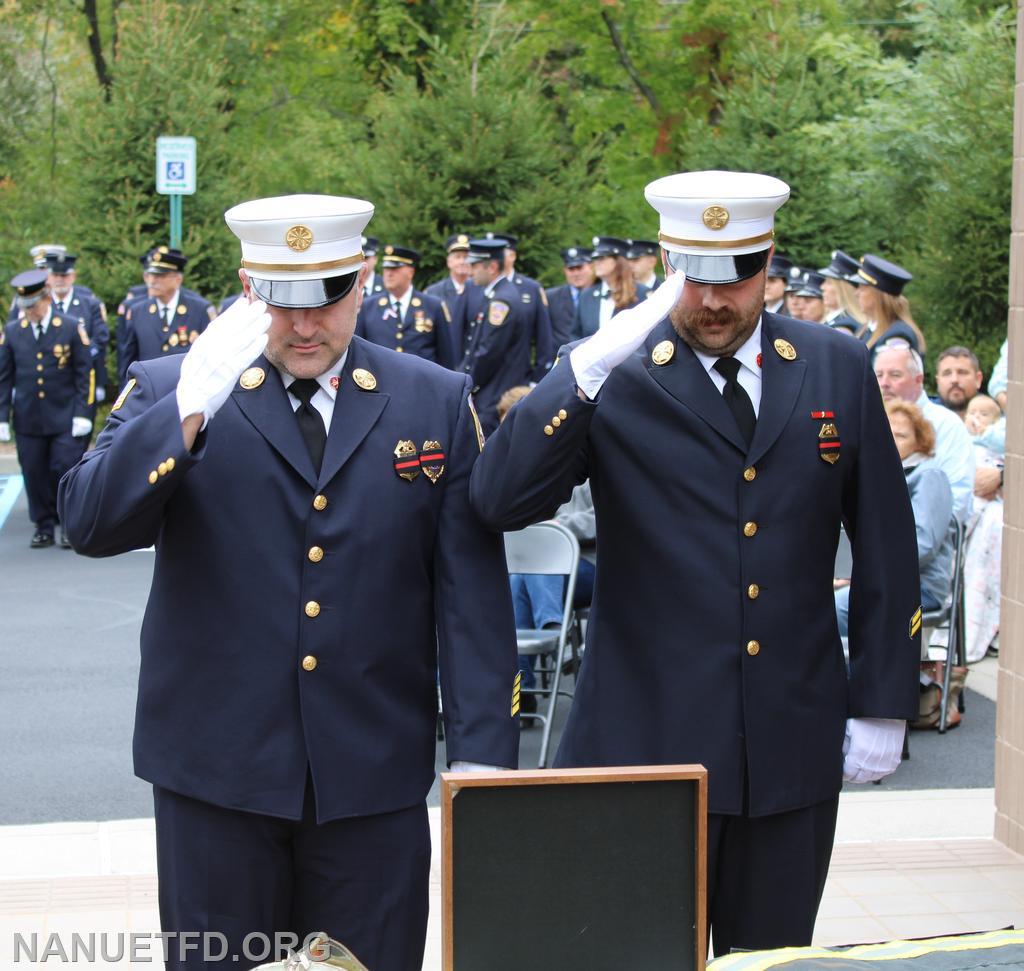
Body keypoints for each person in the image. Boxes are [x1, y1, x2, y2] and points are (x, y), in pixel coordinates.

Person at [58, 194, 519, 971]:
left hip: (372, 778)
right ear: (247, 288)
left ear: (364, 278)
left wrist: (483, 758)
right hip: (217, 778)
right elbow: (90, 523)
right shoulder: (176, 385)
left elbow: (469, 593)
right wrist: (189, 404)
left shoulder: (431, 398)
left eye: (328, 299)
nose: (305, 327)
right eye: (282, 303)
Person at [471, 170, 920, 956]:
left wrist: (882, 697)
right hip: (645, 744)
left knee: (772, 957)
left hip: (790, 738)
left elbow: (884, 538)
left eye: (737, 279)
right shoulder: (615, 369)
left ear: (769, 260)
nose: (714, 303)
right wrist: (576, 377)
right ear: (666, 265)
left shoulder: (832, 365)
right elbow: (499, 499)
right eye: (694, 279)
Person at [495, 385, 597, 720]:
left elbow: (602, 516)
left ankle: (548, 646)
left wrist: (560, 524)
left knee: (535, 568)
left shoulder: (585, 449)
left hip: (590, 564)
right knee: (520, 577)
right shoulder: (524, 467)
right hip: (545, 575)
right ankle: (524, 685)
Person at [834, 400, 952, 646]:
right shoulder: (882, 476)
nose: (893, 441)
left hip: (918, 585)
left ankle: (847, 679)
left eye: (902, 435)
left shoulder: (928, 476)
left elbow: (922, 544)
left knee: (832, 610)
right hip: (875, 577)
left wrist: (863, 572)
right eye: (889, 433)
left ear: (920, 441)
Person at [0, 270, 94, 548]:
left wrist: (83, 413)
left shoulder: (69, 326)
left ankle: (67, 525)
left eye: (34, 306)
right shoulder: (14, 332)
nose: (30, 312)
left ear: (46, 298)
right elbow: (4, 377)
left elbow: (84, 373)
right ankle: (42, 525)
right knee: (34, 471)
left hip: (64, 416)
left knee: (63, 469)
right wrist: (2, 417)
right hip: (28, 418)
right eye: (25, 308)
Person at [874, 344, 975, 523]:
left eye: (895, 375)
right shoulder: (868, 420)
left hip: (927, 539)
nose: (884, 383)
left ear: (919, 379)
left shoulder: (946, 424)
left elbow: (958, 502)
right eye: (879, 375)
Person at [458, 237, 532, 435]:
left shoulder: (502, 301)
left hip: (495, 392)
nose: (470, 270)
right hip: (493, 389)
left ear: (491, 267)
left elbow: (489, 351)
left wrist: (466, 382)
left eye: (475, 265)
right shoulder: (495, 294)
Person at [118, 248, 216, 385]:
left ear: (177, 279)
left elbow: (211, 357)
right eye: (151, 275)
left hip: (186, 392)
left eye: (160, 276)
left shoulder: (200, 310)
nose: (152, 281)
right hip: (148, 393)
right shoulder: (137, 312)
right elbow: (127, 362)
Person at [355, 245, 454, 365]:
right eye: (386, 269)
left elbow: (447, 357)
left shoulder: (433, 306)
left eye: (395, 269)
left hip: (421, 380)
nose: (388, 274)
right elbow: (358, 353)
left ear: (411, 272)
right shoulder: (368, 307)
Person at [963, 393, 1004, 662]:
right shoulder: (961, 439)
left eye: (984, 414)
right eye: (973, 412)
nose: (976, 418)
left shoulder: (997, 438)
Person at [485, 230, 555, 383]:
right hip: (484, 376)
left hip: (519, 377)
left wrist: (537, 379)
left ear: (513, 256)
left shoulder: (531, 289)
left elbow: (543, 338)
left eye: (500, 252)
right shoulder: (479, 286)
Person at [46, 252, 111, 405]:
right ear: (48, 277)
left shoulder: (90, 305)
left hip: (81, 377)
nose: (60, 280)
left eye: (64, 276)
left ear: (73, 276)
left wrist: (80, 357)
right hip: (48, 376)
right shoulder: (43, 305)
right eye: (55, 275)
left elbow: (100, 339)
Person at [572, 236, 648, 339]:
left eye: (602, 258)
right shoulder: (586, 296)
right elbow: (576, 336)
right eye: (595, 258)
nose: (597, 262)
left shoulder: (641, 293)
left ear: (619, 261)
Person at [857, 253, 927, 361]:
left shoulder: (897, 334)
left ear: (878, 295)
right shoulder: (867, 330)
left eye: (862, 288)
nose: (856, 293)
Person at [425, 233, 477, 360]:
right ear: (449, 261)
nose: (462, 261)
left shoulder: (482, 290)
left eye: (466, 257)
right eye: (457, 257)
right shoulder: (433, 293)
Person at [545, 246, 596, 349]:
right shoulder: (551, 297)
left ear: (591, 267)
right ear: (565, 271)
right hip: (562, 359)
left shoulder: (603, 295)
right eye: (571, 269)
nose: (576, 273)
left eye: (580, 267)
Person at [819, 250, 865, 337]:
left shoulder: (845, 325)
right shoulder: (834, 319)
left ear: (843, 290)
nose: (822, 287)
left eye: (829, 283)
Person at [936, 345, 984, 418]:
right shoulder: (922, 418)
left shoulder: (998, 422)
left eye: (962, 372)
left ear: (978, 379)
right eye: (947, 373)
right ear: (938, 381)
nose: (954, 380)